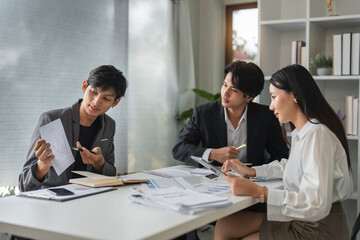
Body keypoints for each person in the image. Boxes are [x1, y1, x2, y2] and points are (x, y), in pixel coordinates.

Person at [214, 64, 353, 240]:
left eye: (273, 97)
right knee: (225, 224)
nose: (271, 106)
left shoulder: (317, 135)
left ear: (294, 95)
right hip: (300, 217)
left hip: (316, 229)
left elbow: (316, 204)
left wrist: (259, 192)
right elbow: (293, 166)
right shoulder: (303, 132)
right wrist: (252, 171)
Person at [19, 65, 128, 192]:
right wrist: (42, 166)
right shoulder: (51, 120)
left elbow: (111, 177)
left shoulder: (109, 125)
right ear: (84, 87)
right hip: (54, 202)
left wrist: (99, 164)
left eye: (106, 98)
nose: (96, 101)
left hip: (90, 199)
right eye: (93, 92)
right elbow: (23, 185)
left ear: (115, 102)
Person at [172, 60, 289, 167]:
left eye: (233, 90)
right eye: (225, 85)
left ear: (249, 97)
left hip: (252, 180)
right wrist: (213, 154)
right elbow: (179, 149)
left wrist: (260, 173)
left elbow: (281, 155)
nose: (225, 93)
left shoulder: (265, 116)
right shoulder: (203, 113)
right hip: (214, 180)